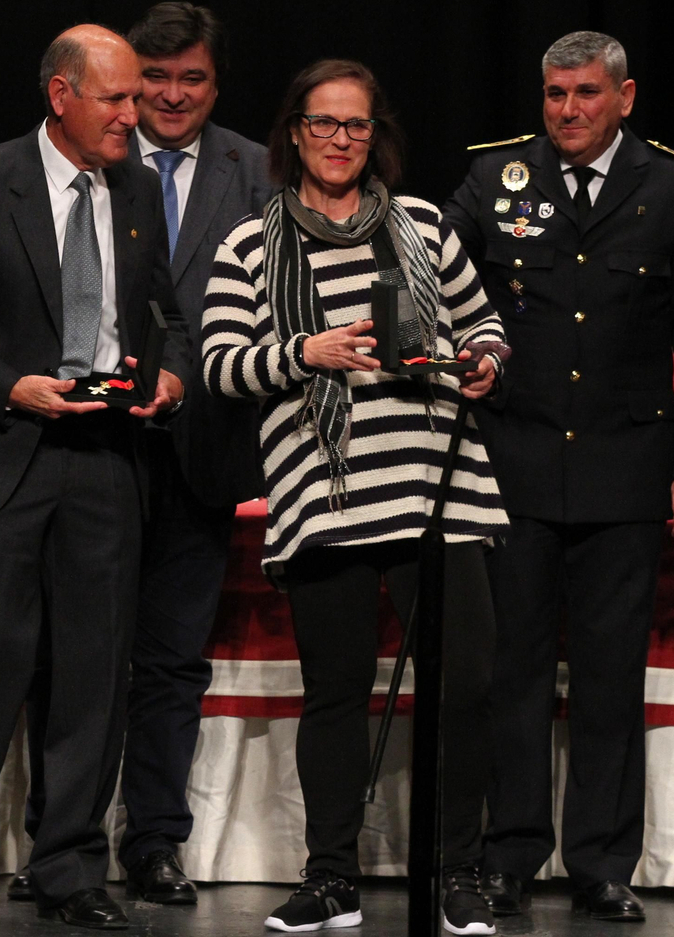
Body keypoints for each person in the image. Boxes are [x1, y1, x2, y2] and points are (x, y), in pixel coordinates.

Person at [203, 59, 508, 935]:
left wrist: (485, 362)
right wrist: (308, 352)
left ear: (377, 137)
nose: (340, 140)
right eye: (324, 123)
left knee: (464, 686)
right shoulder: (249, 244)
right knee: (336, 693)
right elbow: (220, 366)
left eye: (357, 125)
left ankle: (457, 874)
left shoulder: (425, 226)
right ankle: (331, 877)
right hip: (325, 492)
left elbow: (483, 323)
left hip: (436, 487)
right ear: (294, 132)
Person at [0, 24, 187, 931]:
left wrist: (170, 376)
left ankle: (67, 868)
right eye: (117, 99)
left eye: (137, 97)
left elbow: (166, 312)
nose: (135, 115)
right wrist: (10, 385)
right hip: (7, 449)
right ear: (61, 96)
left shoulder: (136, 187)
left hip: (107, 458)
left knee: (95, 672)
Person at [442, 31, 674, 923]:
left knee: (609, 677)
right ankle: (509, 856)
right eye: (555, 94)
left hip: (626, 468)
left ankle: (602, 863)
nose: (567, 111)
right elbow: (440, 291)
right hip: (514, 463)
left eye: (586, 94)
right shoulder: (494, 178)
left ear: (625, 96)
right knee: (514, 672)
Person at [8, 2, 273, 908]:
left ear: (216, 86)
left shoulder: (258, 172)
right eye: (152, 78)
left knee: (170, 658)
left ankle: (155, 841)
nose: (169, 95)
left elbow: (270, 306)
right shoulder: (91, 159)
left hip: (199, 447)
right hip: (87, 447)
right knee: (67, 656)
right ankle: (56, 843)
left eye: (192, 79)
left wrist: (183, 376)